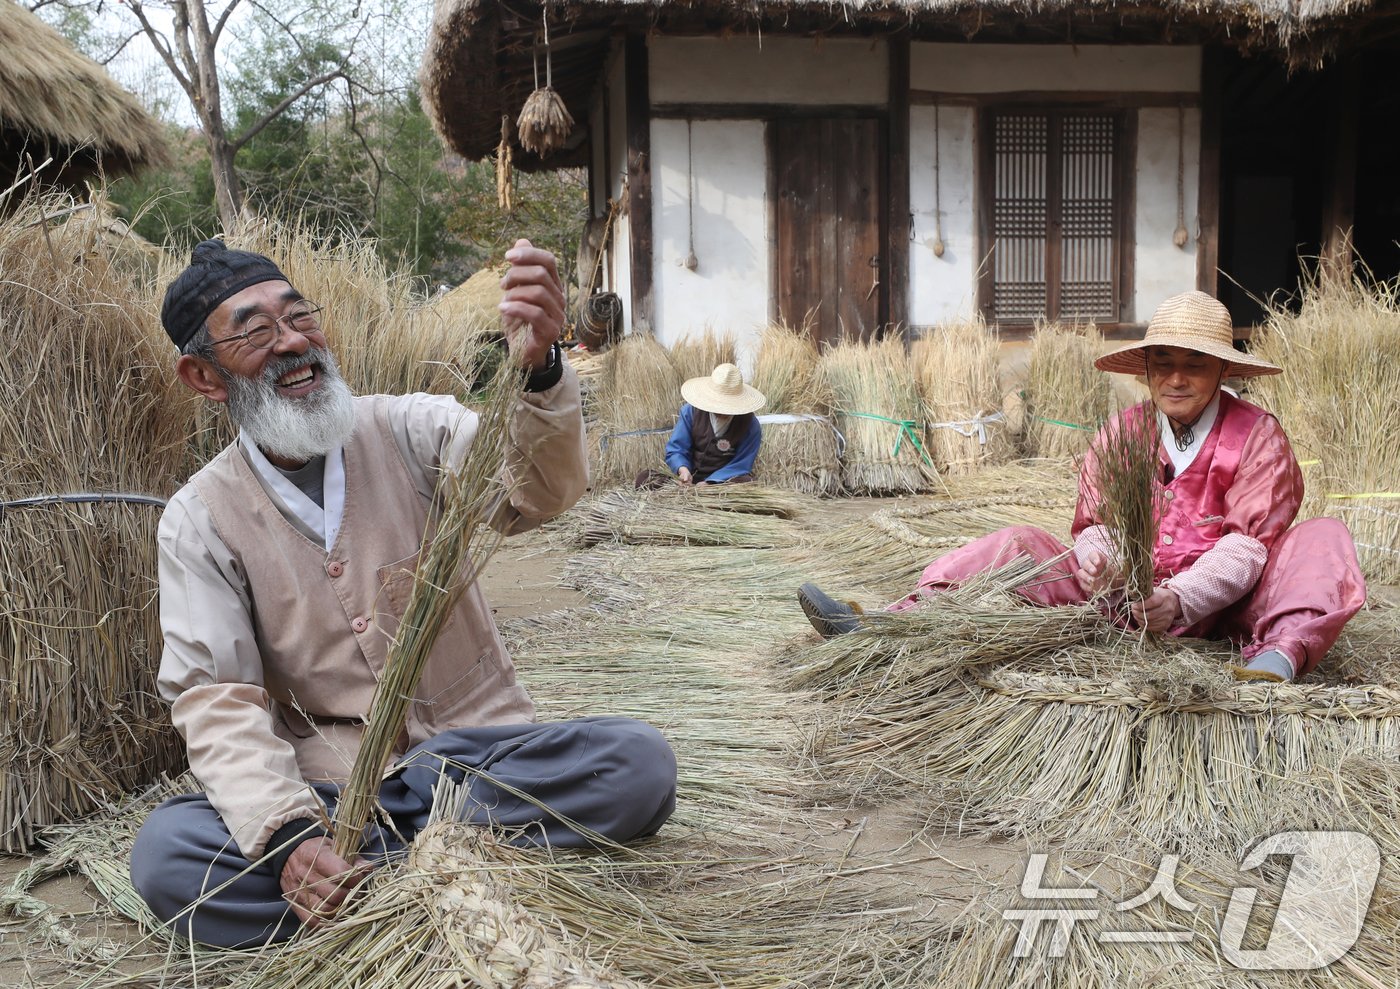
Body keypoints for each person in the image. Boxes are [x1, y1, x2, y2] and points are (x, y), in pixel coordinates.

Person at [130, 239, 677, 949]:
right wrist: (291, 837)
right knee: (168, 855)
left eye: (300, 317)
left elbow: (537, 489)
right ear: (203, 376)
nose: (293, 342)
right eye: (257, 331)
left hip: (481, 766)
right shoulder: (200, 517)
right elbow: (216, 697)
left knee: (637, 763)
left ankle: (381, 892)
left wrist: (539, 370)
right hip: (336, 797)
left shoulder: (410, 427)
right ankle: (441, 874)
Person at [798, 291, 1366, 683]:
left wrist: (1180, 598)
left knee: (1321, 538)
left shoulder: (1257, 436)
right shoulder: (1125, 430)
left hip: (1227, 608)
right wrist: (1103, 565)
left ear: (1223, 371)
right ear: (1144, 369)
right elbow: (1096, 523)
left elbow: (1247, 547)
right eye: (1161, 362)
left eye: (1194, 364)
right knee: (1017, 542)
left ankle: (1277, 663)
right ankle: (887, 622)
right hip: (1119, 599)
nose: (1175, 378)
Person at [635, 363, 766, 489]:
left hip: (723, 482)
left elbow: (742, 464)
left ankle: (709, 494)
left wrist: (711, 483)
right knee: (645, 479)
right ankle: (687, 490)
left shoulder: (750, 424)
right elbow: (677, 448)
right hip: (689, 478)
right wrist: (683, 470)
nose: (722, 410)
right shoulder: (691, 412)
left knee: (746, 483)